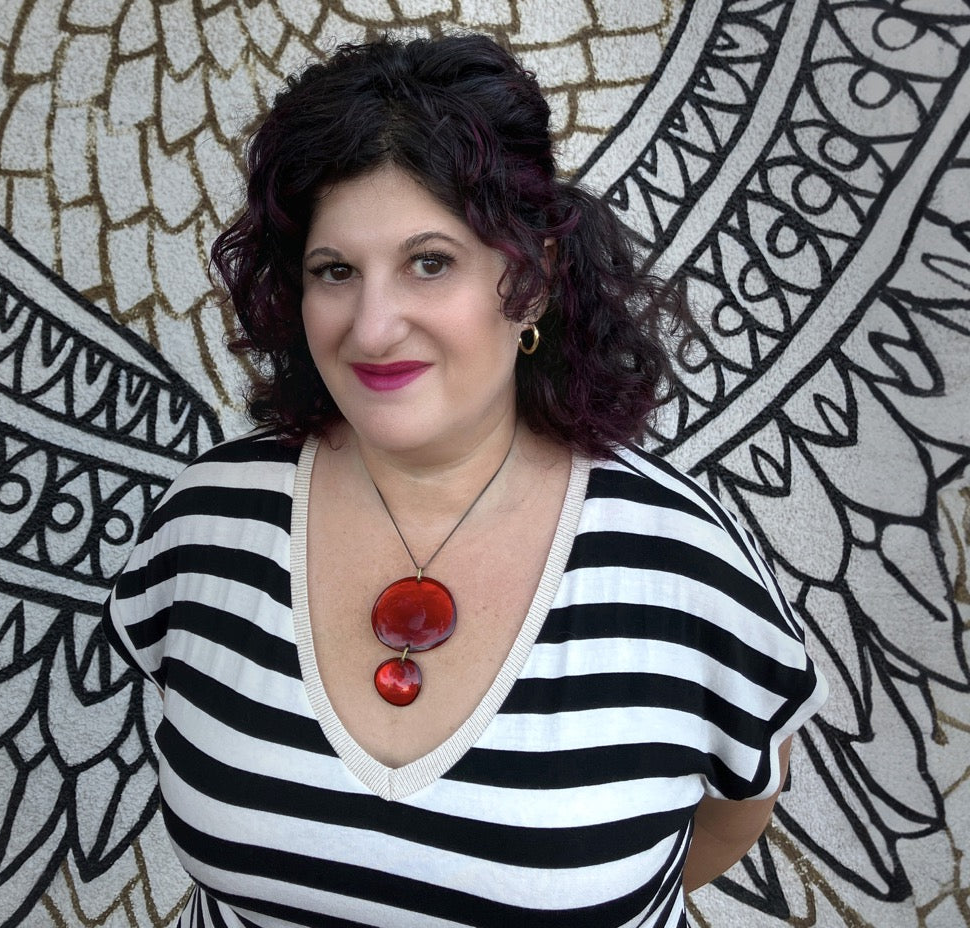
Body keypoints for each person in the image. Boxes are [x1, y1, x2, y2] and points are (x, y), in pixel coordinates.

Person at [105, 33, 826, 927]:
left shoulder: (683, 566)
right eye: (335, 271)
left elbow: (731, 816)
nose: (372, 328)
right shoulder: (208, 520)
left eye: (430, 262)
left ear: (526, 280)